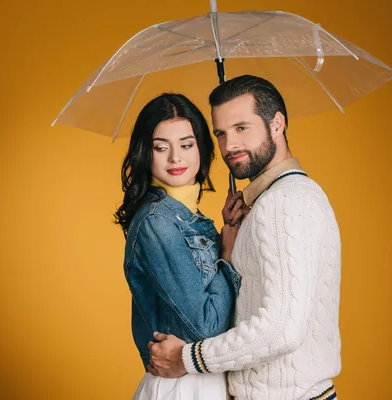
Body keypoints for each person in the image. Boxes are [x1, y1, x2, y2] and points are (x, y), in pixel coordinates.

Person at [148, 75, 342, 400]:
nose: (229, 146)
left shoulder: (284, 202)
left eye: (242, 128)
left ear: (277, 124)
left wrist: (187, 358)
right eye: (220, 133)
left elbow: (280, 329)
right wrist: (231, 240)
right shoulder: (275, 199)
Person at [114, 93, 246, 400]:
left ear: (201, 148)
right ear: (145, 153)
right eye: (161, 147)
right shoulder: (156, 222)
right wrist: (226, 253)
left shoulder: (189, 217)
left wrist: (225, 229)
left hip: (205, 381)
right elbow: (205, 327)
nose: (176, 158)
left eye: (186, 145)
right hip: (183, 388)